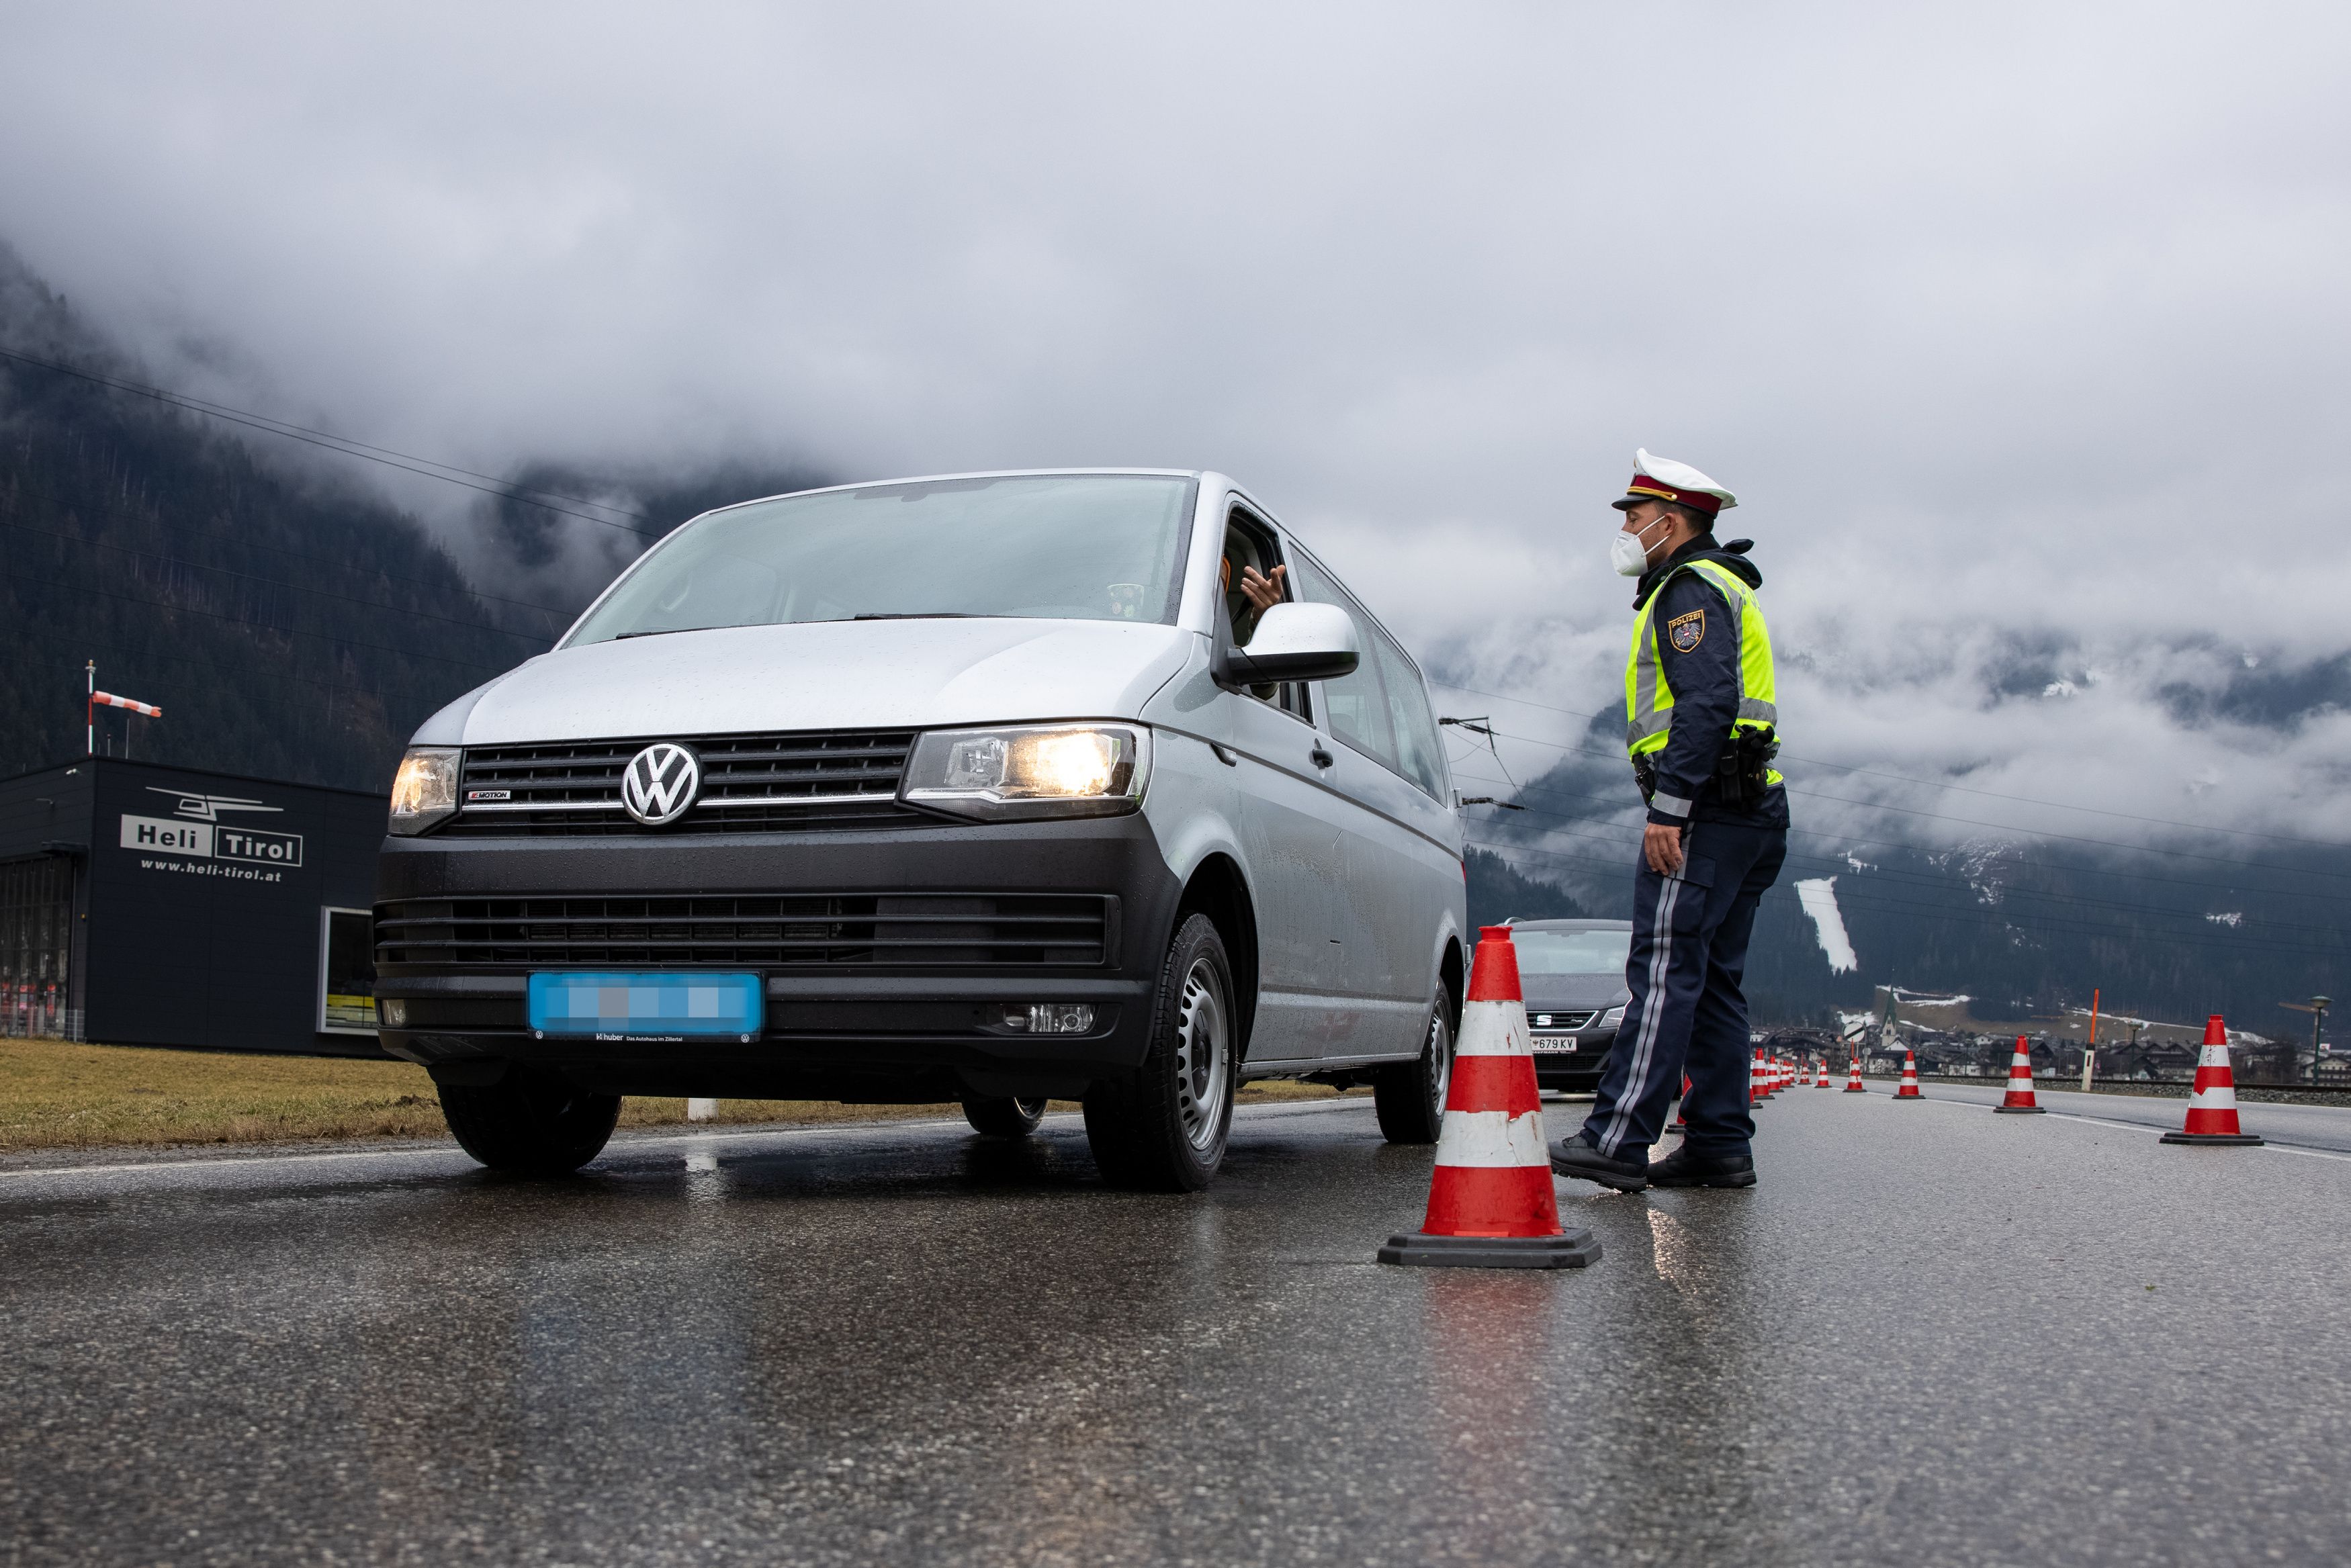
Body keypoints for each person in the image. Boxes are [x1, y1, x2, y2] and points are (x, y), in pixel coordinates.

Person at [1549, 449, 1789, 1191]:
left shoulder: (1687, 588)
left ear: (1672, 520)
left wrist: (1670, 809)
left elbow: (1706, 704)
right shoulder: (1715, 583)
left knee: (1661, 970)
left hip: (1707, 814)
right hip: (1751, 813)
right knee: (1714, 983)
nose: (1624, 526)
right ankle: (1719, 1143)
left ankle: (1617, 1137)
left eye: (1633, 513)